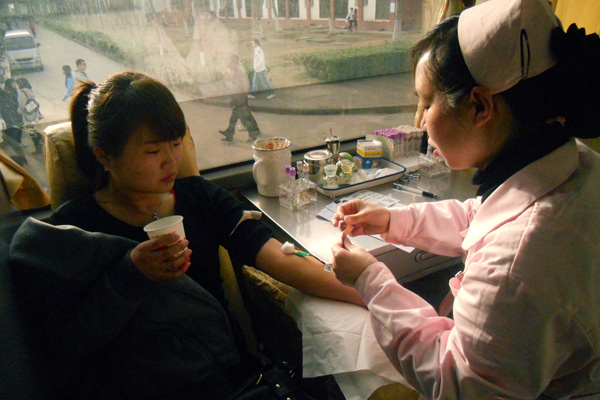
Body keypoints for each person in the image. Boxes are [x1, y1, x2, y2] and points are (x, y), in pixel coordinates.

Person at [10, 71, 363, 399]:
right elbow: (68, 342)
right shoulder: (73, 231)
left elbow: (273, 253)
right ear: (105, 156)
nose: (171, 161)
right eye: (153, 151)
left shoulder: (198, 196)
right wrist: (130, 276)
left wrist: (369, 290)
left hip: (229, 380)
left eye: (176, 144)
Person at [329, 0, 600, 398]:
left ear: (479, 106)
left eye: (427, 103)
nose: (420, 121)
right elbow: (482, 215)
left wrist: (370, 280)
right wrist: (392, 221)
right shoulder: (574, 162)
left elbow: (456, 383)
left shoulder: (517, 265)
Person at [219, 55, 262, 143]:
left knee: (244, 117)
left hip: (239, 97)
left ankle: (253, 135)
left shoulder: (238, 72)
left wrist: (244, 95)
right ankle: (229, 134)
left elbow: (243, 84)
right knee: (235, 117)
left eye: (231, 62)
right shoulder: (235, 70)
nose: (229, 65)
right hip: (238, 96)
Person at [16, 77, 44, 154]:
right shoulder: (30, 91)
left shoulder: (21, 93)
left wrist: (19, 111)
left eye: (17, 84)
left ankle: (38, 148)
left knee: (31, 131)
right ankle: (42, 142)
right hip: (34, 113)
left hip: (27, 114)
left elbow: (22, 105)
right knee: (34, 129)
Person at [0, 78, 24, 147]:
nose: (15, 85)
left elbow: (16, 101)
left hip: (16, 112)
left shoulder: (15, 91)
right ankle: (12, 143)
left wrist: (18, 109)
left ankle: (18, 141)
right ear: (9, 84)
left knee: (20, 126)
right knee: (11, 127)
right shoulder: (3, 93)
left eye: (15, 83)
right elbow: (3, 104)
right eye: (13, 83)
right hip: (8, 113)